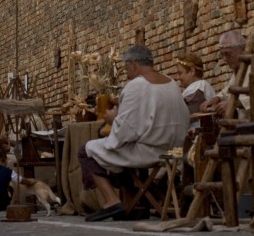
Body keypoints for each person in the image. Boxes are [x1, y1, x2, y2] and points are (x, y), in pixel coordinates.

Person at [78, 45, 189, 222]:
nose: (127, 73)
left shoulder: (135, 86)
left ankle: (111, 201)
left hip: (150, 151)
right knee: (115, 150)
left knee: (86, 151)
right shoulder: (172, 83)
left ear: (134, 64)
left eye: (126, 68)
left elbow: (124, 133)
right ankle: (133, 204)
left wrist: (112, 119)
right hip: (175, 150)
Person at [200, 30, 248, 116]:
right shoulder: (238, 70)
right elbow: (229, 90)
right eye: (222, 55)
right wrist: (217, 98)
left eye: (228, 54)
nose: (225, 59)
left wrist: (233, 104)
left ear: (242, 49)